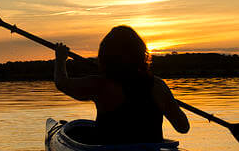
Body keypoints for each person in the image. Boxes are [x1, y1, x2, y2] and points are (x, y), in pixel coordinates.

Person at [54, 25, 189, 144]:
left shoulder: (100, 85)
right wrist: (167, 102)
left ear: (105, 55)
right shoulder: (158, 85)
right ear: (140, 54)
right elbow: (183, 127)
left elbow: (62, 83)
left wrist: (60, 60)